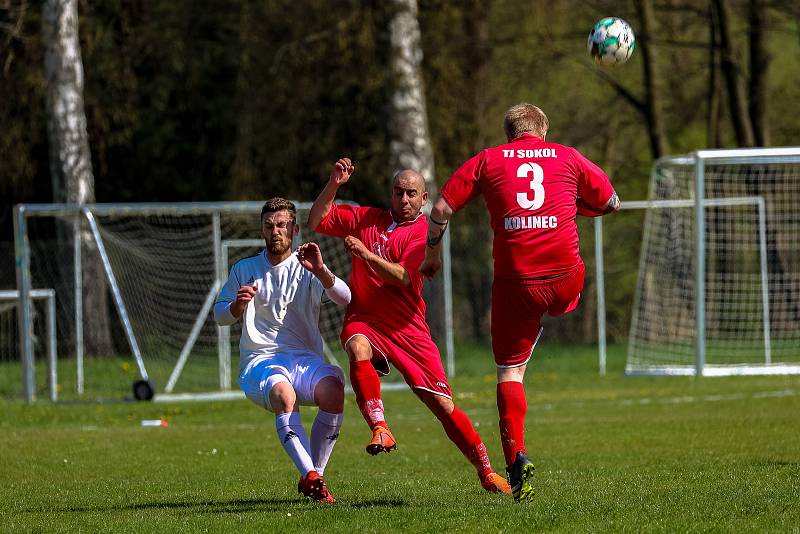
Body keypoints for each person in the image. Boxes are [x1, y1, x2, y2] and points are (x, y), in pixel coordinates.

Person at [420, 103, 620, 503]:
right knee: (559, 298)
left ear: (509, 131)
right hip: (566, 277)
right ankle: (558, 310)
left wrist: (433, 252)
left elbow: (440, 210)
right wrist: (570, 207)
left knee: (510, 372)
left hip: (517, 282)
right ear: (542, 130)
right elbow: (611, 203)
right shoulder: (568, 156)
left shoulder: (488, 160)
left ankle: (515, 460)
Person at [307, 158, 511, 495]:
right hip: (365, 318)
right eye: (398, 192)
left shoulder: (424, 234)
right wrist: (334, 184)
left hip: (407, 328)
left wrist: (366, 256)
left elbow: (403, 278)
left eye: (411, 194)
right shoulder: (366, 218)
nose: (403, 199)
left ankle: (487, 471)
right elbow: (317, 219)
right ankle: (380, 427)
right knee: (357, 345)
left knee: (443, 405)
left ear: (424, 198)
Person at [214, 198, 351, 504]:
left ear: (295, 229)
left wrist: (322, 271)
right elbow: (220, 315)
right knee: (284, 395)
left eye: (281, 225)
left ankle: (315, 477)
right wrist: (237, 305)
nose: (275, 230)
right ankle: (312, 477)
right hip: (260, 362)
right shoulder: (245, 269)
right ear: (262, 230)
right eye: (269, 225)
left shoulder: (308, 267)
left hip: (304, 360)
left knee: (333, 391)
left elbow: (345, 297)